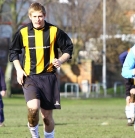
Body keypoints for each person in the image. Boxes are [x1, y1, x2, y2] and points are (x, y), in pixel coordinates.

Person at [9, 2, 73, 138]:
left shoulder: (54, 31)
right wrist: (19, 70)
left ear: (45, 16)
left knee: (46, 117)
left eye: (40, 16)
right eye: (35, 16)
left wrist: (60, 60)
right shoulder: (23, 32)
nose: (38, 19)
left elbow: (68, 49)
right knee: (33, 109)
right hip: (30, 77)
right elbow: (13, 52)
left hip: (49, 77)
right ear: (30, 17)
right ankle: (35, 135)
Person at [119, 50, 135, 134]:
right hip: (129, 84)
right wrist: (129, 51)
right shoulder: (127, 64)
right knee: (129, 99)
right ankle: (130, 118)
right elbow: (121, 57)